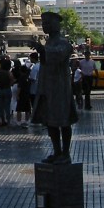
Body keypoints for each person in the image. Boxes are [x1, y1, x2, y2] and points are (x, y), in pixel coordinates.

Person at [31, 11, 78, 163]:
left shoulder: (63, 43)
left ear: (55, 25)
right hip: (48, 87)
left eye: (47, 23)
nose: (44, 26)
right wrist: (42, 49)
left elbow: (57, 56)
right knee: (50, 122)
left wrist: (42, 50)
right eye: (43, 23)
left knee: (63, 121)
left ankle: (65, 153)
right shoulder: (49, 43)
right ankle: (57, 152)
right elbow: (46, 60)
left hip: (60, 88)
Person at [0, 57, 13, 127]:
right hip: (7, 89)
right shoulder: (8, 72)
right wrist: (8, 85)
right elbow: (12, 81)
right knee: (7, 107)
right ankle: (8, 122)